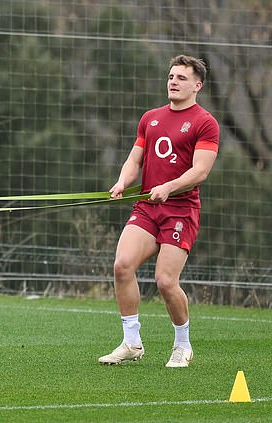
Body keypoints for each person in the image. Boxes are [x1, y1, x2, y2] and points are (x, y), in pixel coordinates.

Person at [99, 55, 219, 368]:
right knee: (122, 265)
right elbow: (134, 160)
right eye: (171, 77)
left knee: (165, 281)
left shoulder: (205, 122)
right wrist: (122, 182)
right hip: (148, 207)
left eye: (181, 78)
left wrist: (170, 187)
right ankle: (131, 342)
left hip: (180, 210)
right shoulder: (150, 117)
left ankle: (182, 346)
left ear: (197, 85)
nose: (173, 82)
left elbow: (200, 171)